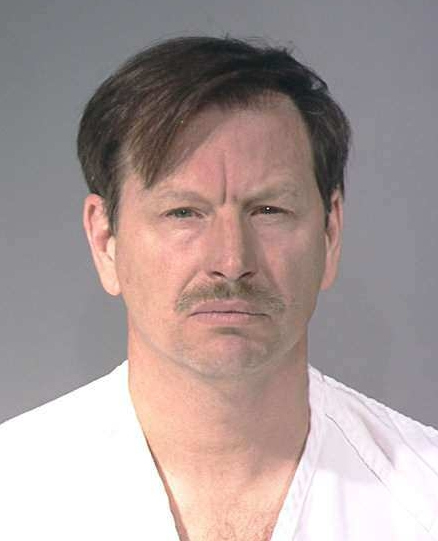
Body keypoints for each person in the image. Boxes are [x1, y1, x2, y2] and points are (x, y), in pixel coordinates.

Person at [0, 36, 437, 541]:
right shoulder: (14, 494)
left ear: (331, 232)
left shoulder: (425, 497)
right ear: (105, 240)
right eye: (183, 212)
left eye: (269, 210)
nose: (231, 262)